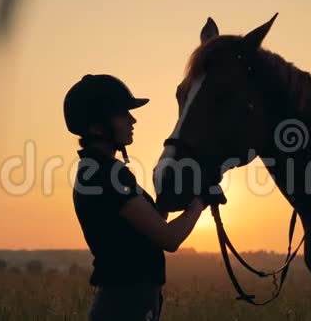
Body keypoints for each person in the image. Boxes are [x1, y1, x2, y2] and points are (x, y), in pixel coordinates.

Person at [63, 74, 220, 321]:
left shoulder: (96, 170)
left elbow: (152, 224)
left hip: (125, 302)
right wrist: (200, 201)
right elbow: (168, 238)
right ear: (97, 126)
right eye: (122, 113)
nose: (132, 119)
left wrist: (169, 199)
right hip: (127, 304)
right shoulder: (107, 175)